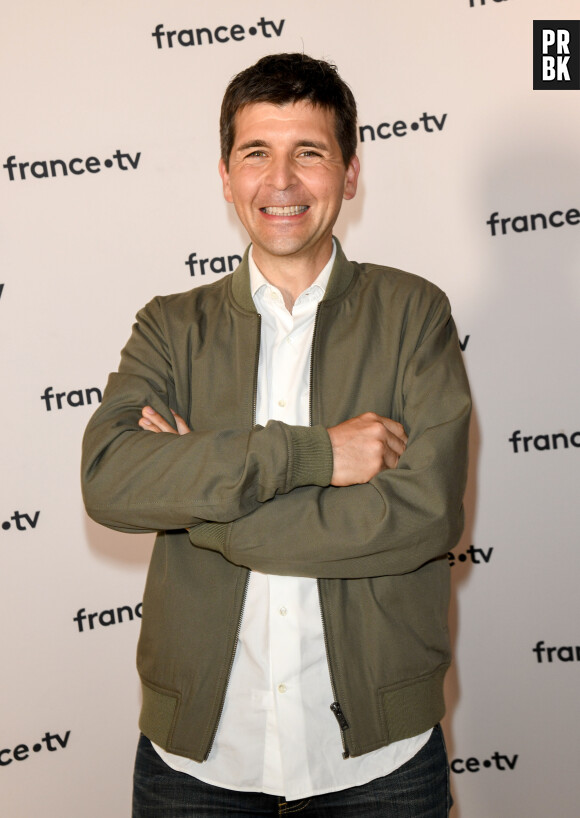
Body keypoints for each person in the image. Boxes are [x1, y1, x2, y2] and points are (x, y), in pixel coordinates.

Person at [82, 52, 471, 817]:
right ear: (225, 176)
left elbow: (420, 516)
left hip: (380, 766)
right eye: (256, 153)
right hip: (199, 761)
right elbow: (111, 479)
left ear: (350, 173)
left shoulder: (414, 314)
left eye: (310, 153)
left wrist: (208, 508)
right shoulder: (168, 326)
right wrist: (316, 454)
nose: (282, 181)